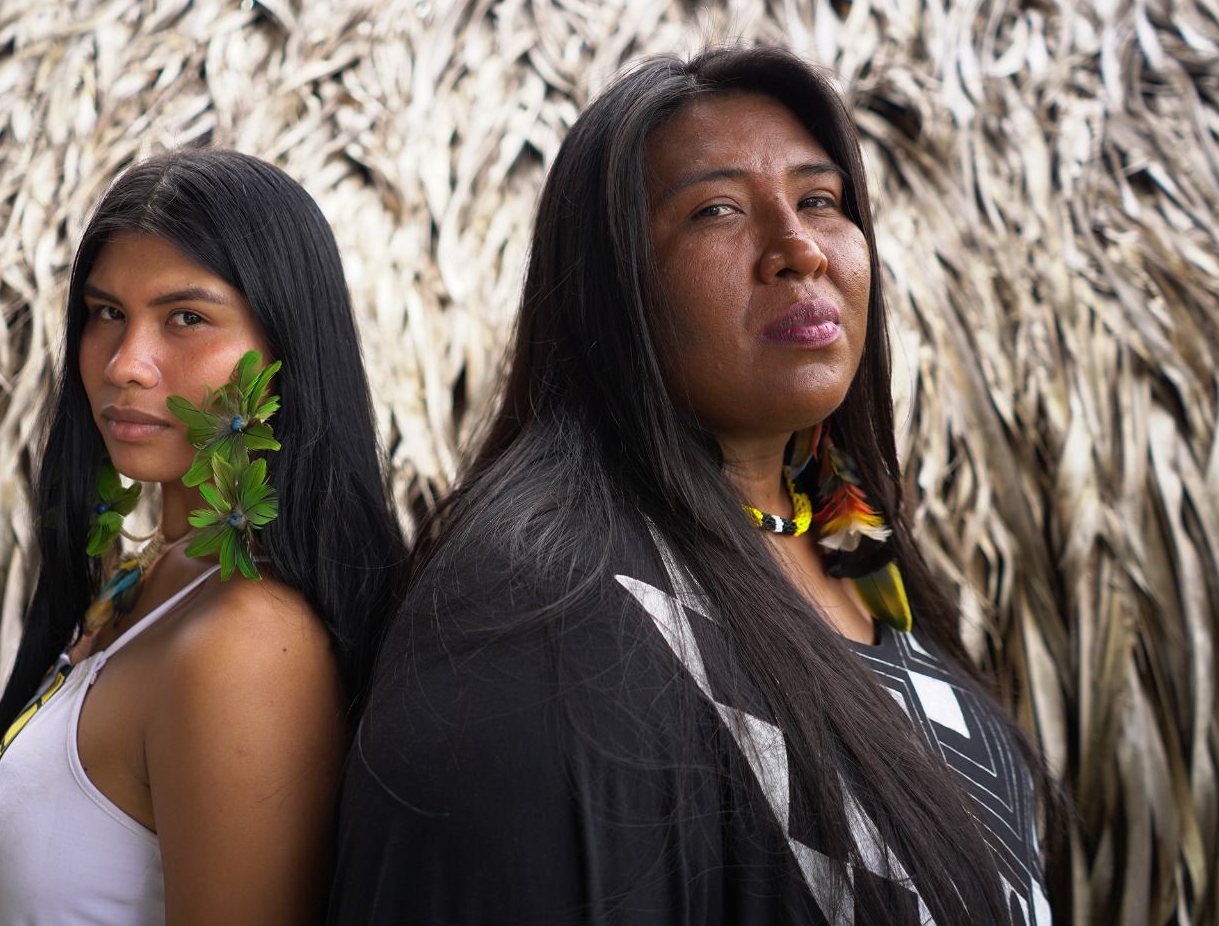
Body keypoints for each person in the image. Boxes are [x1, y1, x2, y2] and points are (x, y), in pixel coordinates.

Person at [330, 46, 1056, 925]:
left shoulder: (847, 537)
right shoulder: (546, 606)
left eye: (821, 200)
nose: (797, 249)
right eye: (716, 211)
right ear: (616, 288)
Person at [0, 149, 405, 925]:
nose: (126, 365)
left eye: (187, 318)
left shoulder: (246, 643)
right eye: (106, 313)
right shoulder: (144, 577)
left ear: (285, 348)